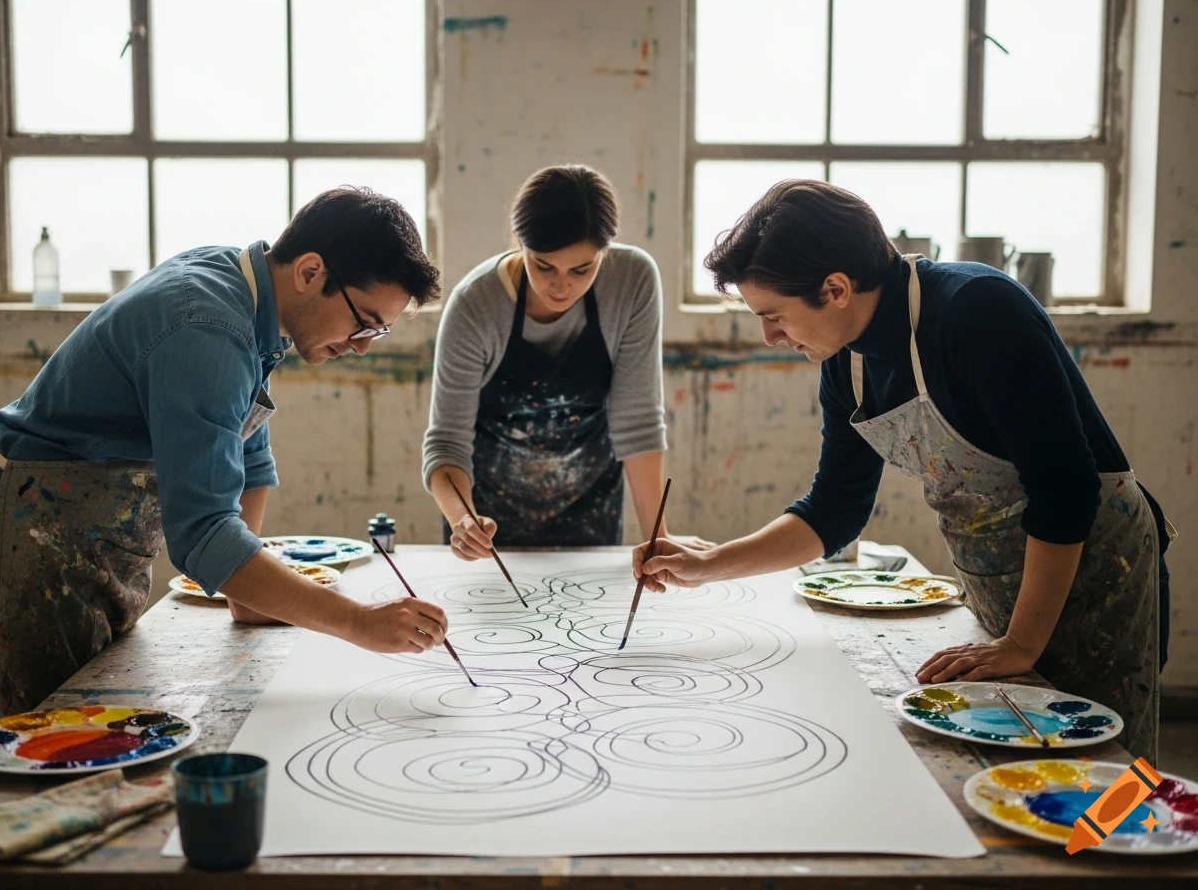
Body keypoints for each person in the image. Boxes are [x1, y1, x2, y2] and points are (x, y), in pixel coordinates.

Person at [633, 179, 1172, 760]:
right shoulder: (846, 364)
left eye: (774, 316)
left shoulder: (979, 312)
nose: (770, 336)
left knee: (1109, 775)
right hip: (1002, 586)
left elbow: (1065, 489)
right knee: (1029, 768)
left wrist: (1021, 641)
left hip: (1094, 573)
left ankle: (1116, 844)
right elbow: (834, 510)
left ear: (835, 289)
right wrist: (708, 565)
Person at [0, 187, 450, 725]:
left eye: (378, 331)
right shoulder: (206, 324)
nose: (362, 345)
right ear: (311, 271)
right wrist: (359, 623)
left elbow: (247, 452)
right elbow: (202, 536)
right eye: (363, 322)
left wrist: (248, 596)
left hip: (70, 550)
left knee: (77, 740)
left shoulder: (246, 294)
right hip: (10, 550)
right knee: (38, 756)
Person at [423, 164, 707, 558]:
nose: (561, 285)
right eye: (543, 266)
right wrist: (463, 519)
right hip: (487, 523)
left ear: (604, 253)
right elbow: (447, 442)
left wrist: (657, 536)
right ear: (520, 243)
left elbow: (637, 421)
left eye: (581, 269)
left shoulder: (633, 281)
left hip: (591, 512)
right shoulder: (475, 306)